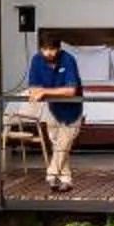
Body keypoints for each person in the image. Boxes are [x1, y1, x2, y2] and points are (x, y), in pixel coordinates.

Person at [22, 30, 85, 193]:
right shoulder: (37, 60)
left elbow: (71, 91)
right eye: (44, 49)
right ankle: (66, 180)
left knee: (64, 143)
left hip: (73, 109)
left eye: (52, 49)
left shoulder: (69, 60)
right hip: (52, 108)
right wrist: (41, 92)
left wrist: (45, 92)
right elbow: (34, 87)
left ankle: (51, 173)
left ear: (59, 48)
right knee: (58, 144)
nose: (48, 53)